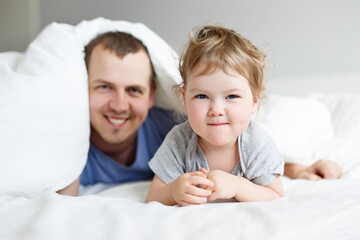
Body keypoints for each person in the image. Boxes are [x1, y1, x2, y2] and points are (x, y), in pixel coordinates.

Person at [145, 25, 284, 206]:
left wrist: (238, 186)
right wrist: (172, 191)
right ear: (185, 100)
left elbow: (275, 195)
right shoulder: (179, 141)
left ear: (254, 101)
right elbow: (152, 197)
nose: (216, 110)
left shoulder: (256, 144)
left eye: (231, 96)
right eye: (202, 96)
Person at [57, 31, 179, 196]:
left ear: (151, 95)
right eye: (104, 87)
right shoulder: (62, 141)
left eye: (134, 90)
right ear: (81, 87)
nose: (119, 106)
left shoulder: (173, 131)